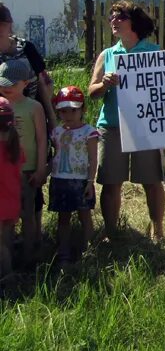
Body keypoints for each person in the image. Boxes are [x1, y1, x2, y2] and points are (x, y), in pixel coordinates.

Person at [88, 0, 165, 240]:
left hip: (145, 127)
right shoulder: (107, 55)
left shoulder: (154, 53)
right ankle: (111, 233)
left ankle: (158, 231)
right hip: (112, 126)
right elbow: (92, 91)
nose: (113, 21)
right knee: (111, 182)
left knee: (152, 181)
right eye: (111, 17)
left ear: (134, 22)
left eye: (119, 17)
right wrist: (105, 84)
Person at [0, 59, 48, 264]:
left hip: (27, 172)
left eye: (11, 83)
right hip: (4, 174)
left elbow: (41, 139)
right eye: (2, 83)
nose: (6, 87)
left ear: (25, 83)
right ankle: (8, 256)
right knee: (5, 219)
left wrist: (40, 169)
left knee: (28, 215)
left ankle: (29, 256)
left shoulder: (34, 107)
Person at [48, 86, 98, 266]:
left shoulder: (89, 132)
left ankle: (88, 251)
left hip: (81, 181)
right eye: (63, 110)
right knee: (63, 219)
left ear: (83, 109)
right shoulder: (56, 132)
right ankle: (63, 253)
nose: (68, 114)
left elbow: (93, 159)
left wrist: (90, 181)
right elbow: (55, 155)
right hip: (59, 180)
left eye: (73, 110)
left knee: (85, 217)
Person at [0, 3, 56, 133]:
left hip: (33, 118)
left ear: (9, 25)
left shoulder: (27, 48)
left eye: (1, 24)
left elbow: (43, 84)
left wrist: (52, 121)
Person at [0, 96, 24, 281]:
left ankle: (8, 276)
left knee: (1, 245)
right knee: (7, 239)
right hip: (12, 201)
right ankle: (10, 272)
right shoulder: (15, 146)